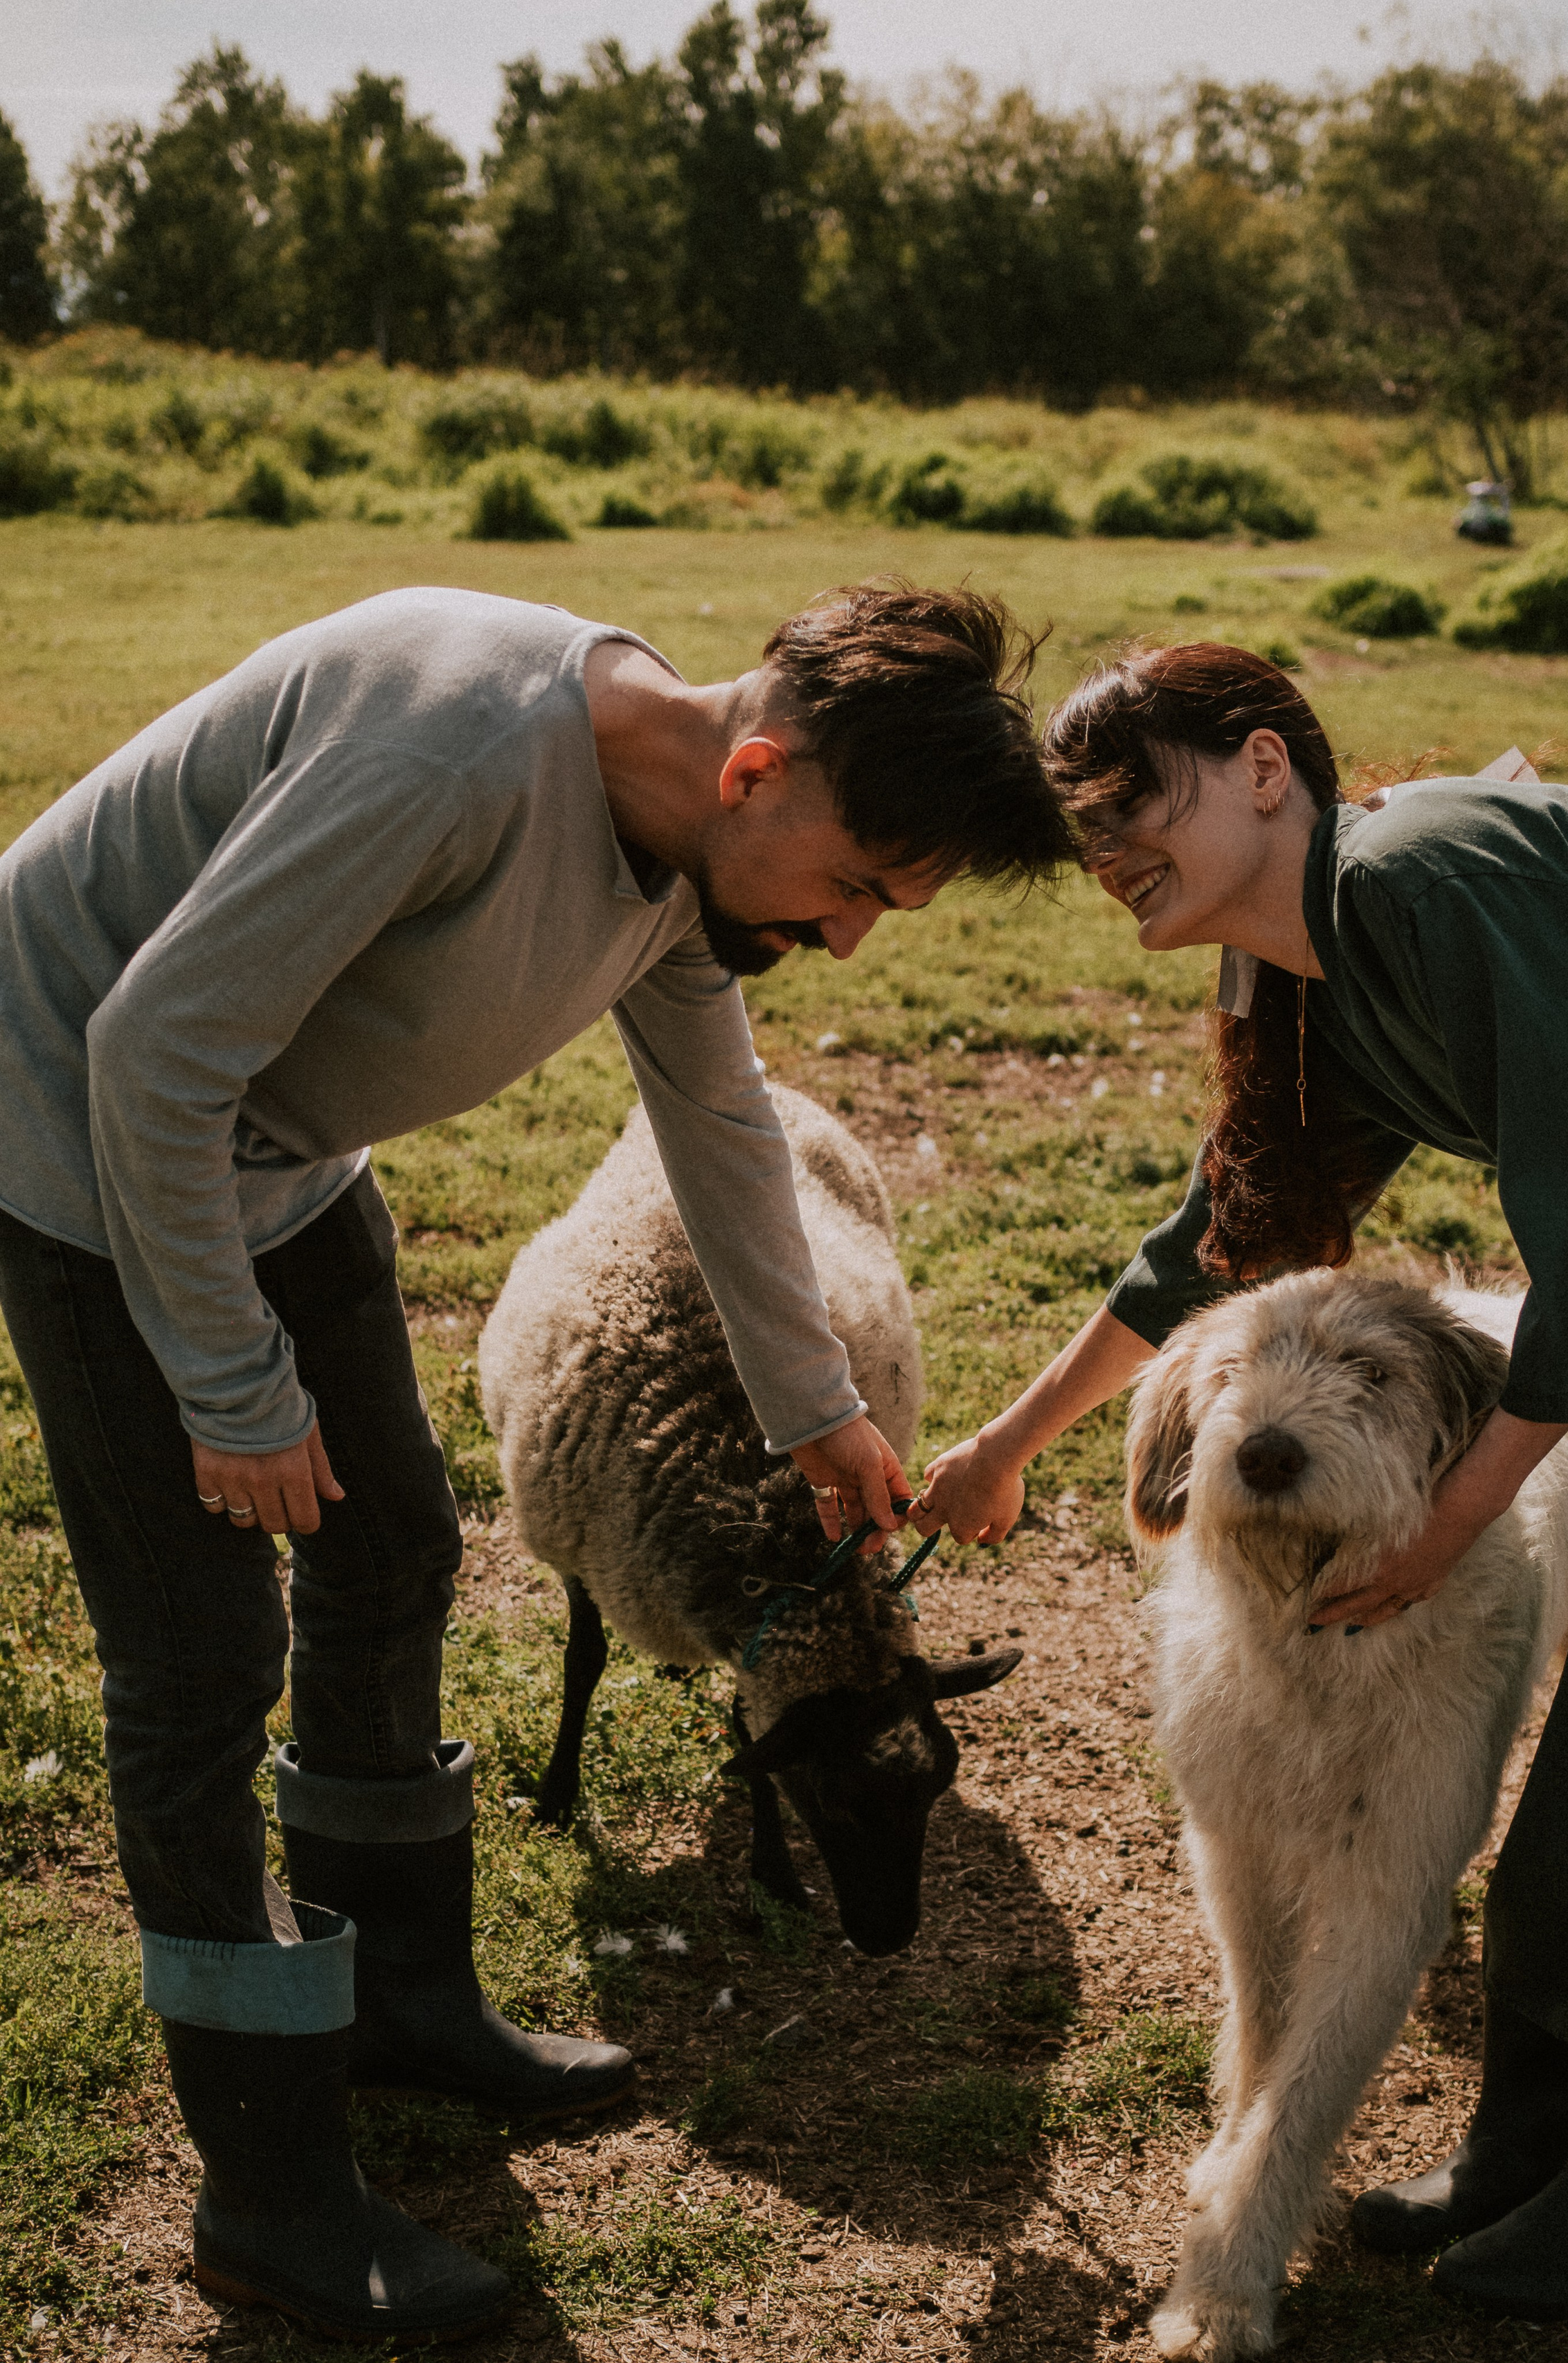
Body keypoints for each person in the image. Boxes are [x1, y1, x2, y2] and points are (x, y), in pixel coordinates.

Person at [0, 579, 1072, 2340]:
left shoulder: (676, 851)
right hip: (85, 1144)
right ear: (756, 772)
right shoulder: (455, 759)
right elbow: (150, 1049)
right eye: (857, 887)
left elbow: (719, 1120)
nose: (849, 939)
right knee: (198, 1661)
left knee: (393, 1553)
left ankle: (400, 2000)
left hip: (277, 1148)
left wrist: (815, 1406)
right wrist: (232, 1390)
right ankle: (269, 2193)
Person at [915, 638, 1568, 2324]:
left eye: (1132, 799)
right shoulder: (1315, 969)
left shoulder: (1419, 871)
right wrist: (1008, 1442)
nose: (1104, 844)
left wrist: (1453, 1517)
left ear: (1261, 768)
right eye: (1082, 824)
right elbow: (1218, 1240)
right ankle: (1533, 2140)